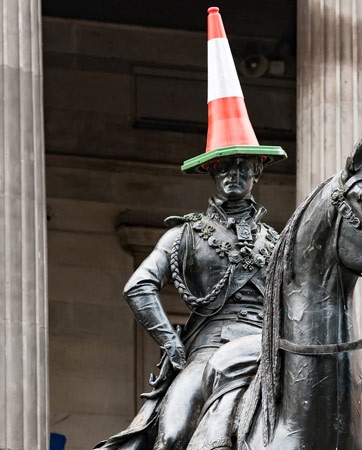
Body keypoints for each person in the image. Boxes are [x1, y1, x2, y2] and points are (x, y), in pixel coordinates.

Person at [93, 8, 286, 450]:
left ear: (257, 170)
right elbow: (139, 286)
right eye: (222, 167)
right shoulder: (185, 235)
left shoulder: (276, 243)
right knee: (174, 432)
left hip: (269, 351)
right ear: (211, 174)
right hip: (206, 351)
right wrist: (171, 344)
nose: (232, 175)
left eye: (241, 166)